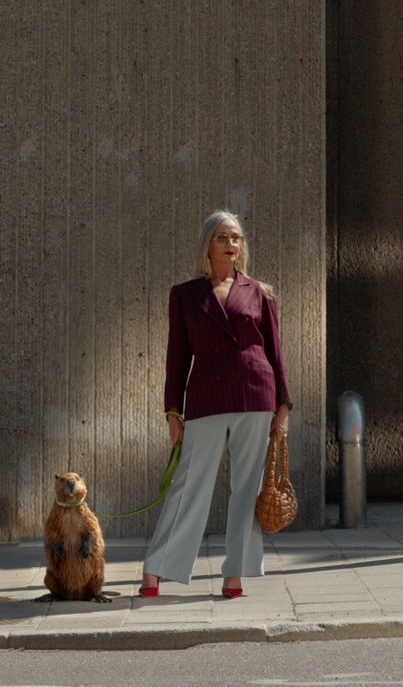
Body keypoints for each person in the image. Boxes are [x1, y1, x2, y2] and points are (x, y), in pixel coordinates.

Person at [139, 210, 291, 599]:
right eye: (223, 237)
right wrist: (173, 411)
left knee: (246, 489)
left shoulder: (260, 293)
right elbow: (177, 356)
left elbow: (275, 352)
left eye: (237, 238)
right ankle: (157, 568)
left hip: (256, 395)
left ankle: (235, 574)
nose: (231, 245)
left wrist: (283, 409)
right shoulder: (185, 295)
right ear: (208, 243)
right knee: (189, 484)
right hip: (205, 397)